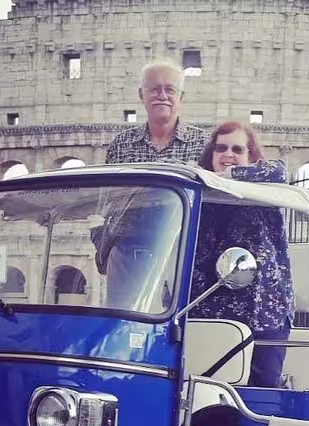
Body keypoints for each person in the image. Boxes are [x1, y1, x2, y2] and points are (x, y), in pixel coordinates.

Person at [190, 121, 295, 388]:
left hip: (265, 309)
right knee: (207, 393)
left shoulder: (265, 183)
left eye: (238, 149)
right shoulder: (199, 189)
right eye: (221, 148)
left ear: (251, 156)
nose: (228, 155)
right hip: (209, 309)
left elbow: (279, 171)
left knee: (262, 391)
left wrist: (228, 176)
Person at [105, 59, 208, 164]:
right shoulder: (121, 144)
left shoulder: (204, 143)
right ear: (141, 95)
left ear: (181, 96)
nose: (163, 96)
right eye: (155, 89)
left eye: (170, 90)